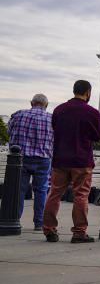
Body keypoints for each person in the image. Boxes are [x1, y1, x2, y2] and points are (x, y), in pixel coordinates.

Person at [42, 80, 100, 243]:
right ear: (88, 92)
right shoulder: (92, 113)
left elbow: (55, 128)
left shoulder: (59, 109)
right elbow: (98, 136)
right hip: (81, 159)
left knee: (54, 193)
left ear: (74, 90)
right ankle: (79, 232)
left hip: (60, 159)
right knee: (81, 195)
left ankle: (49, 230)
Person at [8, 94, 53, 231]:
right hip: (43, 159)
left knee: (19, 190)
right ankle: (39, 223)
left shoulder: (18, 114)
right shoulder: (52, 119)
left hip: (20, 159)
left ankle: (14, 220)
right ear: (46, 105)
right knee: (41, 191)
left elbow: (9, 131)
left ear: (31, 103)